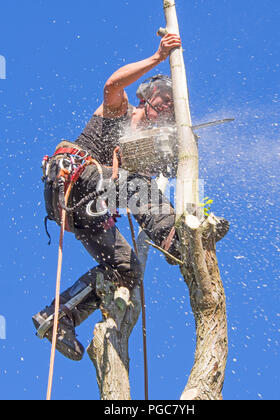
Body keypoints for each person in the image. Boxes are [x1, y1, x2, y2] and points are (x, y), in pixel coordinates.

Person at [33, 34, 229, 361]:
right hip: (77, 179)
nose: (166, 106)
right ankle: (173, 238)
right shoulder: (120, 112)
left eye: (171, 105)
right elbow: (111, 84)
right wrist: (157, 56)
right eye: (163, 98)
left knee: (127, 269)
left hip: (88, 211)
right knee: (139, 186)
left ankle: (60, 316)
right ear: (146, 97)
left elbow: (155, 177)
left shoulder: (137, 154)